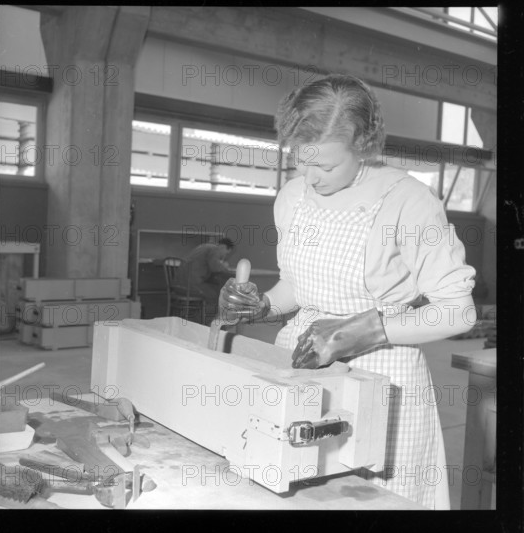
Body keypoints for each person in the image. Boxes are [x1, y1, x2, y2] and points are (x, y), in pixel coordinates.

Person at [219, 74, 476, 509]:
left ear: (364, 145)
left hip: (384, 377)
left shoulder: (408, 201)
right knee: (293, 489)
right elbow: (298, 287)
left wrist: (362, 331)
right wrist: (263, 305)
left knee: (375, 501)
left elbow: (457, 311)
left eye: (327, 166)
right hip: (301, 362)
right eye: (301, 160)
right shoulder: (292, 196)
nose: (311, 177)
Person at [175, 237, 235, 320]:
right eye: (226, 253)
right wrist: (224, 266)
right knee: (216, 296)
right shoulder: (215, 249)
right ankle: (202, 324)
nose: (225, 256)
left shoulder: (205, 247)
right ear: (224, 247)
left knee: (211, 291)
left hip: (179, 283)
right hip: (190, 284)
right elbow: (215, 267)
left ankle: (196, 319)